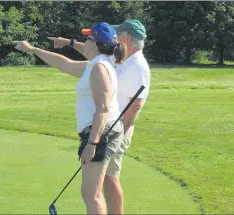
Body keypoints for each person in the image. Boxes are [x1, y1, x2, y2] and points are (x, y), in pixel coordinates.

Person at [12, 22, 128, 215]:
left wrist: (92, 144)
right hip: (105, 131)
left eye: (87, 38)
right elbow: (65, 64)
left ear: (94, 43)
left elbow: (103, 108)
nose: (84, 41)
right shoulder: (97, 64)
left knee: (92, 195)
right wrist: (32, 49)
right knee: (91, 193)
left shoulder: (99, 68)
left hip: (101, 132)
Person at [49, 19, 150, 215]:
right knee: (101, 184)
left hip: (113, 128)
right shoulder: (117, 58)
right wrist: (69, 43)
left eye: (118, 33)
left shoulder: (137, 65)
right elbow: (93, 50)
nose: (115, 37)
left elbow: (135, 105)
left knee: (106, 182)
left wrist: (111, 137)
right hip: (107, 126)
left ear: (127, 38)